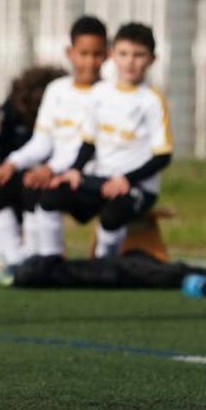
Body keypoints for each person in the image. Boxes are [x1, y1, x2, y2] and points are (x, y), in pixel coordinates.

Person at [0, 16, 108, 267]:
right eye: (83, 54)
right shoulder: (57, 90)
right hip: (55, 169)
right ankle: (16, 260)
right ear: (70, 53)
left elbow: (93, 150)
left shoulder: (108, 94)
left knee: (39, 188)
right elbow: (42, 142)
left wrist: (50, 169)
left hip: (87, 174)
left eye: (97, 55)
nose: (90, 62)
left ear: (107, 55)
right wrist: (9, 165)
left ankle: (50, 261)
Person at [43, 23, 173, 258]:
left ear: (152, 59)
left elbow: (163, 155)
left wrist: (126, 179)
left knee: (113, 214)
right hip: (100, 181)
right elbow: (88, 143)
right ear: (112, 55)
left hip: (135, 186)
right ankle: (49, 259)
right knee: (50, 196)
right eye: (123, 54)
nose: (130, 62)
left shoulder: (152, 100)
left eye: (139, 55)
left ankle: (106, 262)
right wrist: (74, 170)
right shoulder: (100, 93)